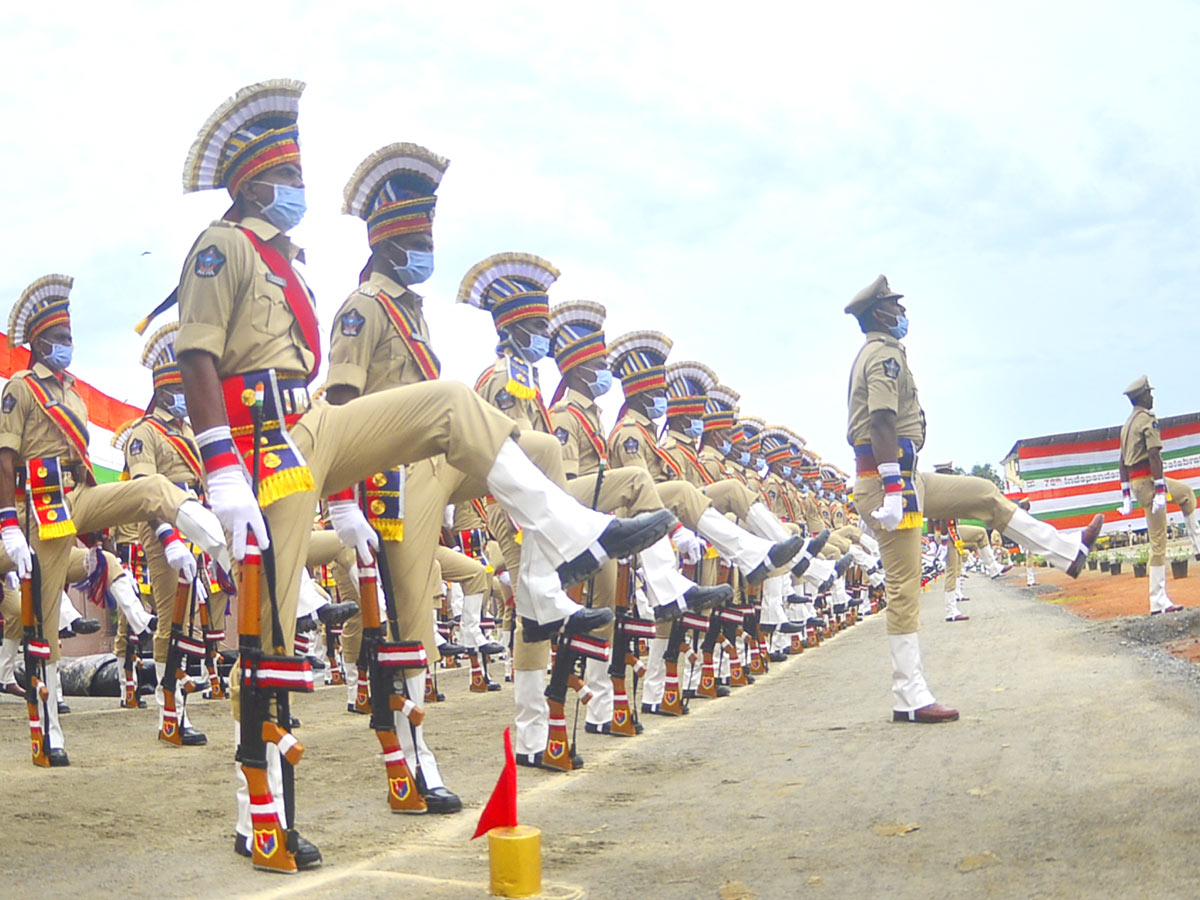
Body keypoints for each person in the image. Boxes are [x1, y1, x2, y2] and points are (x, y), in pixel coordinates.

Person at [166, 80, 672, 870]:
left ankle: (572, 533)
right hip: (262, 444)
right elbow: (195, 354)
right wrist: (221, 466)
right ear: (253, 179)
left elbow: (324, 396)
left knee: (448, 404)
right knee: (272, 633)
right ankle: (256, 813)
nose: (298, 185)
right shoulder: (221, 247)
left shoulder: (289, 261)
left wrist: (339, 489)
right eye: (287, 173)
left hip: (312, 429)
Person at [845, 274, 1101, 724]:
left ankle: (1068, 551)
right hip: (890, 481)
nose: (903, 313)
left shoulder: (887, 352)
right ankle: (909, 696)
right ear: (879, 314)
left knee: (985, 493)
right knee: (904, 589)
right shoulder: (882, 355)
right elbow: (882, 422)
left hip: (908, 476)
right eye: (895, 307)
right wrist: (891, 488)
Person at [0, 275, 228, 767]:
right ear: (39, 341)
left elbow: (80, 459)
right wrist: (8, 524)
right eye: (60, 339)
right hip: (40, 508)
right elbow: (5, 456)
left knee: (149, 491)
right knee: (41, 621)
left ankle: (198, 528)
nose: (68, 346)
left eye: (70, 338)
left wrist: (105, 524)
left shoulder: (73, 394)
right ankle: (49, 727)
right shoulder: (22, 390)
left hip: (79, 497)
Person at [1118, 375, 1200, 614]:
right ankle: (1158, 600)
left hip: (1138, 483)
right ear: (1142, 396)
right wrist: (1161, 489)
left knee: (1185, 493)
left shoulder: (1127, 425)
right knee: (1158, 542)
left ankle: (1198, 547)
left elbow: (1121, 462)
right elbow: (1154, 455)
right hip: (1150, 483)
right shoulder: (1146, 420)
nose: (1152, 396)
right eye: (1149, 393)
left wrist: (1126, 494)